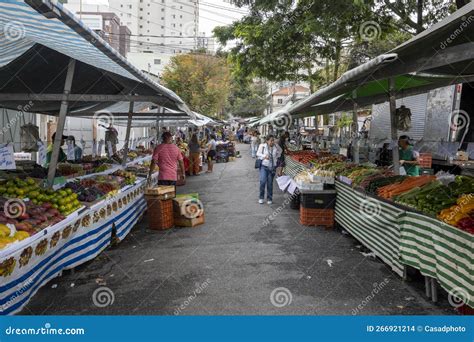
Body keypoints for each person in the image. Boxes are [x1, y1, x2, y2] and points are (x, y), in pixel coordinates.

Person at [256, 135, 282, 205]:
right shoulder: (262, 146)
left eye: (273, 140)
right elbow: (258, 153)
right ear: (267, 141)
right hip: (264, 166)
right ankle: (261, 197)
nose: (272, 142)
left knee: (270, 184)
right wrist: (264, 156)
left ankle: (269, 198)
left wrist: (277, 156)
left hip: (272, 168)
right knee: (262, 181)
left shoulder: (276, 146)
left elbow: (280, 151)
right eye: (271, 140)